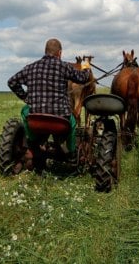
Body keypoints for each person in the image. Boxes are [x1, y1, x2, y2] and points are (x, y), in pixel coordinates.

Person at [7, 38, 91, 169]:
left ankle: (33, 143)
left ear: (45, 51)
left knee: (25, 111)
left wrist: (25, 97)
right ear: (60, 53)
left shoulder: (31, 67)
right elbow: (83, 78)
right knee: (73, 123)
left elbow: (12, 82)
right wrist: (86, 65)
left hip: (36, 119)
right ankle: (71, 152)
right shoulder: (64, 67)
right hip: (60, 121)